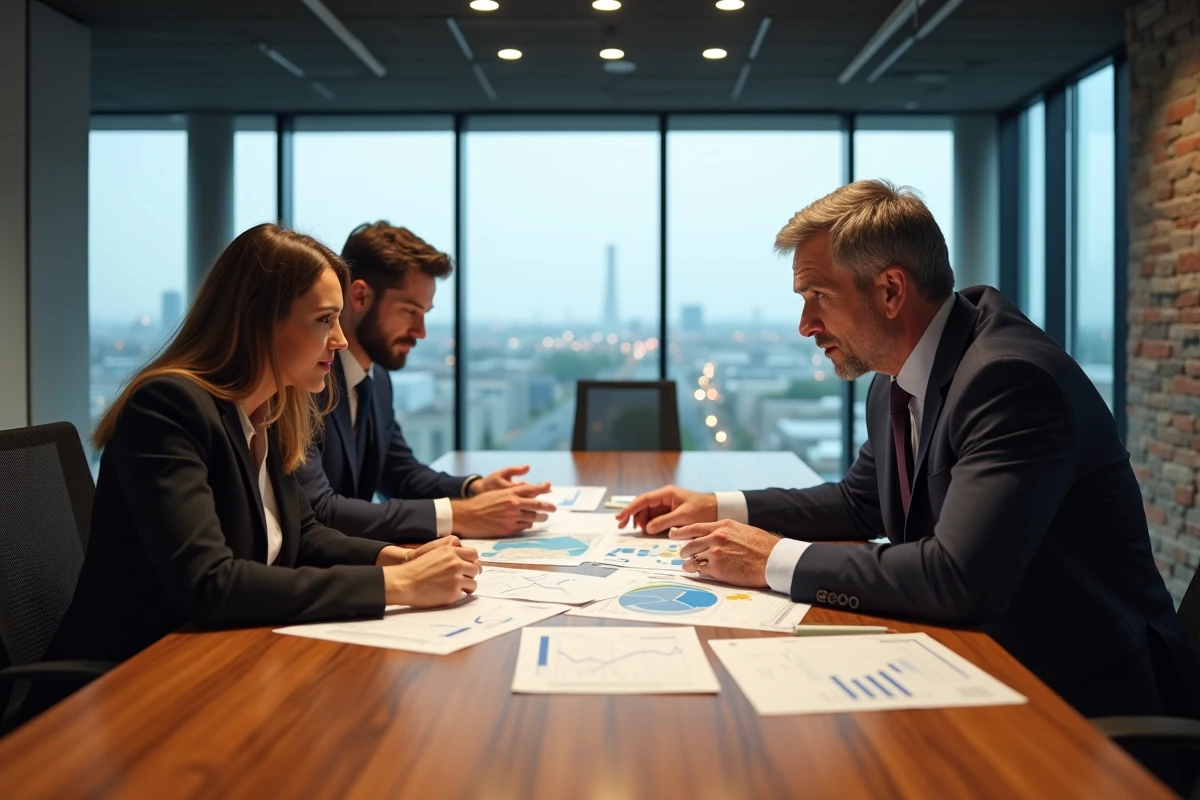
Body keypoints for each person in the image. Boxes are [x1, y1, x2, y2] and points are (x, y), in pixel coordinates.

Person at [617, 180, 1198, 724]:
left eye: (818, 295)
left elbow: (957, 577)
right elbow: (859, 503)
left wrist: (771, 559)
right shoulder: (897, 376)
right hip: (981, 664)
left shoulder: (1010, 381)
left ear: (891, 290)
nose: (804, 324)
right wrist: (721, 506)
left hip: (1083, 702)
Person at [23, 224, 480, 719]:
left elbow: (303, 535)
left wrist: (397, 559)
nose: (341, 340)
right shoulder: (168, 409)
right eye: (325, 320)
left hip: (216, 665)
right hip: (126, 690)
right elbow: (210, 584)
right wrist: (398, 587)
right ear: (261, 320)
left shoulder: (271, 411)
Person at [295, 221, 556, 543]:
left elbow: (399, 473)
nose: (421, 331)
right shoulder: (305, 381)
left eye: (425, 313)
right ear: (360, 297)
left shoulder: (376, 381)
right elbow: (320, 511)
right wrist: (462, 515)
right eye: (410, 311)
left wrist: (474, 488)